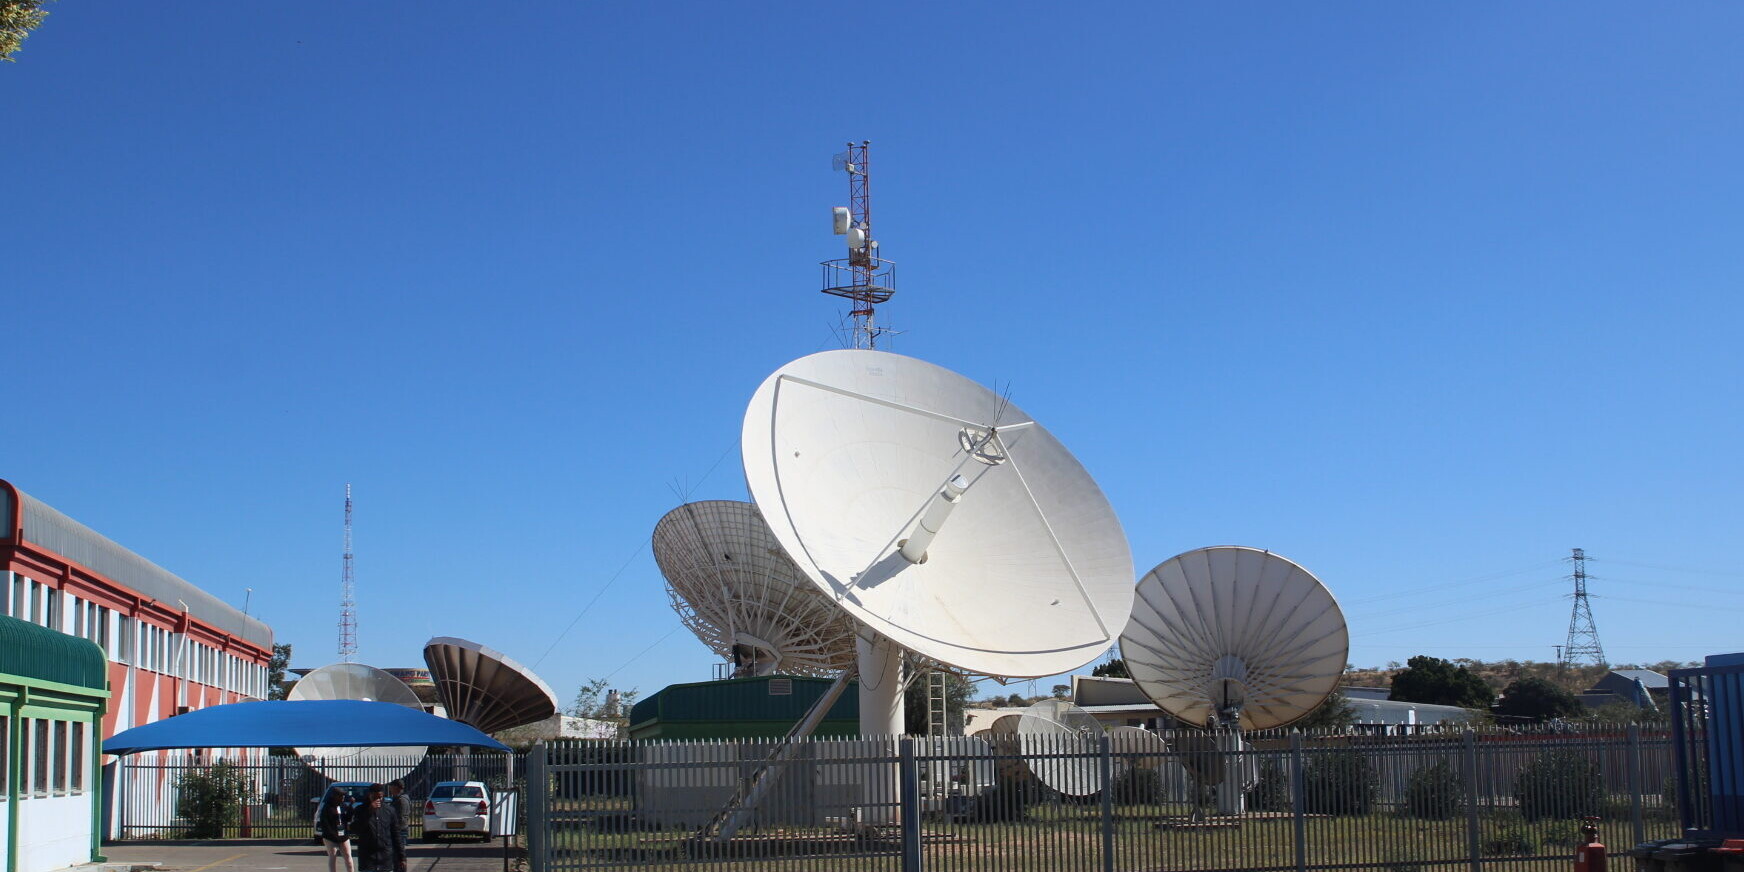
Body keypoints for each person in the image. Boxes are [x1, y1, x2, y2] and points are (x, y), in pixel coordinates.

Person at [349, 784, 408, 872]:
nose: (378, 800)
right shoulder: (360, 810)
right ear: (370, 795)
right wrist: (369, 812)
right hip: (368, 859)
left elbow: (396, 834)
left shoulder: (389, 811)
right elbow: (355, 829)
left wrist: (401, 857)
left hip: (385, 859)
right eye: (375, 797)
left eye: (380, 797)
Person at [317, 786, 356, 872]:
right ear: (334, 796)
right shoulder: (327, 808)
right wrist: (333, 836)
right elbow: (325, 824)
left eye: (343, 796)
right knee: (333, 856)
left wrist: (351, 806)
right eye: (340, 796)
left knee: (348, 856)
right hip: (330, 837)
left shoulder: (343, 806)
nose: (342, 798)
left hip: (343, 836)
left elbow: (348, 818)